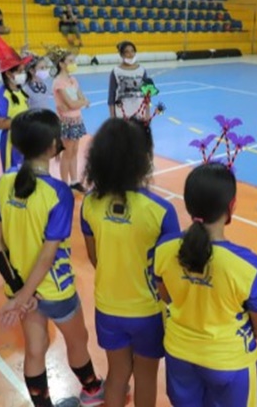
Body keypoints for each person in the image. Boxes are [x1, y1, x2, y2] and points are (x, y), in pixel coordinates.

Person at [0, 108, 104, 407]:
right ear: (53, 145)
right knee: (78, 341)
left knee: (35, 348)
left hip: (21, 285)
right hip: (54, 289)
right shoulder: (58, 192)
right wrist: (25, 296)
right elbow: (48, 254)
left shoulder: (4, 181)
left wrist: (19, 291)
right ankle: (91, 390)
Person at [154, 162, 257, 406]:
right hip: (228, 360)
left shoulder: (164, 248)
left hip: (179, 354)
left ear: (188, 205)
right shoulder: (247, 265)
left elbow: (165, 296)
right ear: (232, 206)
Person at [81, 117, 180, 407]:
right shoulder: (161, 211)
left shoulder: (89, 203)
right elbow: (169, 272)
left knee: (117, 373)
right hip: (148, 310)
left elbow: (94, 257)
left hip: (108, 306)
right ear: (143, 159)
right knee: (146, 376)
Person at [48, 47, 89, 192]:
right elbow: (72, 104)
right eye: (70, 61)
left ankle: (74, 181)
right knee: (67, 152)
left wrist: (80, 102)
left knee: (75, 150)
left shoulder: (73, 80)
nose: (73, 63)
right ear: (61, 64)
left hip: (77, 119)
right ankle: (64, 185)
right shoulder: (58, 82)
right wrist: (81, 102)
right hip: (67, 122)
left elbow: (81, 98)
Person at [0, 29, 31, 172]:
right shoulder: (2, 95)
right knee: (13, 175)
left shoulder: (20, 90)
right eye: (19, 71)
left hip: (25, 139)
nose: (23, 74)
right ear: (8, 73)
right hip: (11, 142)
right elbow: (1, 123)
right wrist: (24, 120)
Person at [108, 41, 154, 120]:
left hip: (139, 113)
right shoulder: (116, 71)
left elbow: (147, 94)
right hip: (121, 113)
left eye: (132, 51)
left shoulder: (142, 70)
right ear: (121, 55)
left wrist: (147, 113)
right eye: (127, 52)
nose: (130, 54)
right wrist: (112, 116)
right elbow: (111, 96)